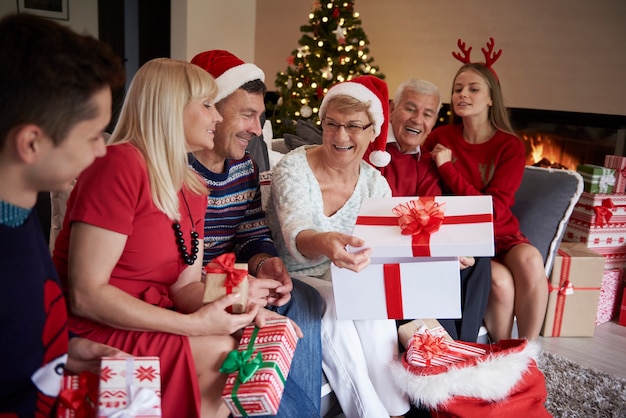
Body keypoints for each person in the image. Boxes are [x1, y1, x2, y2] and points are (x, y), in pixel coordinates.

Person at [52, 58, 299, 418]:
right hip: (95, 324)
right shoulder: (117, 165)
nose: (216, 117)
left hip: (153, 314)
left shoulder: (192, 187)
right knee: (220, 353)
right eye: (207, 105)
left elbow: (184, 287)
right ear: (170, 108)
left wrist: (241, 299)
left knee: (257, 334)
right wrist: (193, 325)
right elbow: (86, 295)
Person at [0, 13, 128, 416]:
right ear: (32, 143)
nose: (102, 150)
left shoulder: (20, 215)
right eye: (92, 135)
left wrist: (66, 347)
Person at [188, 49, 323, 417]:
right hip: (197, 288)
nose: (256, 128)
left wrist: (266, 264)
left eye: (259, 117)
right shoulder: (177, 171)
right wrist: (240, 287)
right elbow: (177, 272)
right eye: (247, 114)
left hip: (232, 280)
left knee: (306, 301)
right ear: (210, 109)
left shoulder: (244, 166)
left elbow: (251, 233)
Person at [266, 75, 411, 418]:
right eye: (332, 124)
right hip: (294, 275)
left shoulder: (376, 184)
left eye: (353, 126)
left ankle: (397, 410)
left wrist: (447, 255)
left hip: (348, 278)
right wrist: (325, 242)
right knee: (335, 307)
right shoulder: (294, 168)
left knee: (375, 313)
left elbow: (392, 241)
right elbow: (296, 233)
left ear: (373, 131)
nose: (341, 136)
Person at [425, 48, 548, 341]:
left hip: (502, 234)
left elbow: (492, 209)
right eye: (457, 89)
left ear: (491, 98)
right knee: (501, 281)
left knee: (531, 260)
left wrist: (448, 168)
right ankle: (503, 350)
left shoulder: (510, 146)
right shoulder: (441, 137)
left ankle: (528, 352)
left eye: (473, 89)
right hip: (467, 239)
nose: (462, 95)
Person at [363, 78, 491, 343]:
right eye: (410, 109)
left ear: (434, 122)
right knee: (437, 269)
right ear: (392, 108)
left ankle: (464, 346)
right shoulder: (371, 150)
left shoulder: (427, 161)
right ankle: (444, 353)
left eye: (427, 114)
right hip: (380, 248)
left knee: (477, 261)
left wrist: (452, 250)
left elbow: (431, 212)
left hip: (415, 244)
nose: (417, 119)